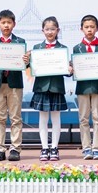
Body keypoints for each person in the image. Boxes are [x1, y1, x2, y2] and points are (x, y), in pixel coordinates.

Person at [0, 10, 26, 162]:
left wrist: (26, 60)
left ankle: (15, 148)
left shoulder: (20, 42)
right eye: (3, 22)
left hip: (15, 85)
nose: (6, 25)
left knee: (15, 118)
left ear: (14, 24)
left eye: (9, 22)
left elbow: (26, 64)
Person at [29, 16, 67, 162]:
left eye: (53, 29)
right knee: (43, 118)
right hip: (41, 87)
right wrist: (27, 61)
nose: (50, 32)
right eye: (47, 29)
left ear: (58, 30)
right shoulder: (36, 49)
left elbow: (66, 69)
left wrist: (69, 69)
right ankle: (44, 148)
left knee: (56, 118)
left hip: (56, 87)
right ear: (42, 31)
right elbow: (32, 68)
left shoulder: (63, 49)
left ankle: (55, 147)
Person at [73, 14, 98, 161]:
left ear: (97, 28)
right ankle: (86, 148)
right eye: (86, 27)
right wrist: (71, 68)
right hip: (82, 87)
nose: (89, 30)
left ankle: (97, 149)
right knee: (83, 119)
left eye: (92, 27)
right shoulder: (77, 48)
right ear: (81, 29)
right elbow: (74, 68)